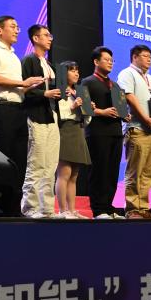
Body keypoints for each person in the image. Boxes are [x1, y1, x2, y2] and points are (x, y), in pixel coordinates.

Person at [0, 16, 44, 205]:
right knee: (4, 158)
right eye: (13, 27)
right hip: (2, 109)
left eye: (17, 27)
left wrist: (31, 86)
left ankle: (14, 206)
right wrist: (23, 83)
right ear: (0, 30)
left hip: (19, 109)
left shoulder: (15, 57)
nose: (17, 30)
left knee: (20, 161)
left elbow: (18, 89)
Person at [19, 24, 62, 218]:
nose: (50, 38)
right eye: (46, 35)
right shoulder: (29, 61)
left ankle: (47, 208)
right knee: (36, 163)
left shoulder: (49, 65)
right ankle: (30, 207)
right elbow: (23, 89)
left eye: (50, 35)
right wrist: (44, 93)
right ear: (35, 38)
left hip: (52, 117)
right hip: (35, 115)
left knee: (51, 165)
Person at [116, 45, 151, 219]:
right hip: (137, 128)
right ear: (135, 57)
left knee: (147, 173)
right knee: (135, 171)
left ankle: (143, 208)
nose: (149, 59)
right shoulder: (127, 73)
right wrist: (145, 118)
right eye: (145, 56)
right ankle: (132, 209)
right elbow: (129, 97)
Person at [82, 46, 125, 219]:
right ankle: (98, 209)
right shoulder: (87, 82)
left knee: (112, 172)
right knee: (99, 170)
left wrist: (125, 114)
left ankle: (108, 206)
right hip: (97, 132)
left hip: (116, 132)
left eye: (111, 60)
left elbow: (121, 108)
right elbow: (84, 108)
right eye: (106, 60)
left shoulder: (115, 85)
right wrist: (102, 112)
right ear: (96, 61)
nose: (110, 63)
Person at [55, 62, 92, 219]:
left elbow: (87, 120)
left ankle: (72, 210)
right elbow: (56, 113)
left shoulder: (79, 92)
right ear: (64, 73)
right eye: (72, 71)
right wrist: (73, 107)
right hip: (65, 130)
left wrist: (88, 109)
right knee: (64, 173)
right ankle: (62, 210)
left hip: (78, 130)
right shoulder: (59, 90)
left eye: (77, 70)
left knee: (74, 175)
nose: (76, 73)